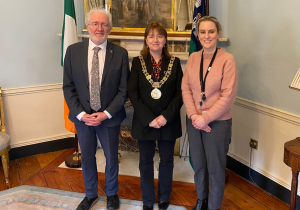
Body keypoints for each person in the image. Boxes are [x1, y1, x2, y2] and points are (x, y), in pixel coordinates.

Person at [63, 8, 129, 210]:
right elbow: (68, 87)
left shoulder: (120, 54)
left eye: (104, 24)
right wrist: (82, 115)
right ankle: (90, 194)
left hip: (109, 118)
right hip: (83, 118)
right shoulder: (73, 51)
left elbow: (123, 90)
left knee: (111, 159)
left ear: (109, 28)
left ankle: (111, 194)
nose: (99, 28)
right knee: (88, 157)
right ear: (88, 26)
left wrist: (106, 113)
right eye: (95, 24)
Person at [181, 16, 238, 210]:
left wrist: (204, 118)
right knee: (198, 166)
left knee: (215, 170)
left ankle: (213, 206)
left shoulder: (227, 60)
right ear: (198, 34)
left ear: (218, 34)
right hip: (194, 121)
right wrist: (193, 116)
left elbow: (228, 96)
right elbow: (186, 89)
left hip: (218, 123)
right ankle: (201, 200)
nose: (207, 36)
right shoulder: (193, 58)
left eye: (211, 31)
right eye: (202, 32)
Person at [127, 22, 183, 210]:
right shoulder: (137, 62)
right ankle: (148, 200)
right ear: (145, 40)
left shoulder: (175, 63)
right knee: (145, 161)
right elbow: (132, 92)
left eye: (159, 36)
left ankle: (164, 197)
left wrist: (165, 116)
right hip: (145, 122)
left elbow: (180, 93)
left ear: (165, 39)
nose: (155, 40)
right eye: (151, 36)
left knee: (167, 160)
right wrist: (149, 118)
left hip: (169, 121)